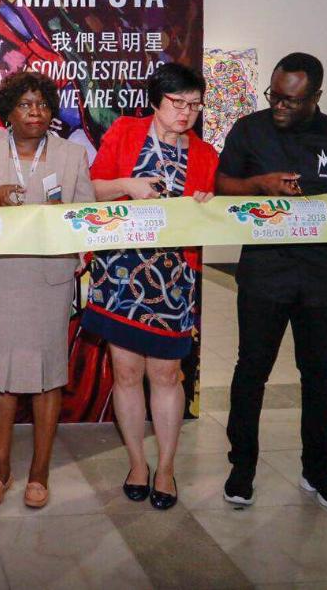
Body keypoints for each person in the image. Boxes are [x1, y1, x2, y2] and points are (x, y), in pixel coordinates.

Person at [215, 52, 327, 511]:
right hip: (264, 274)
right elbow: (222, 185)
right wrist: (259, 184)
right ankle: (242, 468)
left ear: (316, 97)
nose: (280, 106)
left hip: (322, 279)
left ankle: (317, 471)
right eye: (275, 96)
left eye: (292, 101)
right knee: (251, 371)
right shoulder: (249, 130)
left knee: (319, 376)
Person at [0, 70, 94, 509]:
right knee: (0, 377)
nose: (36, 112)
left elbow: (86, 216)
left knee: (48, 377)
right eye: (26, 104)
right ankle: (0, 471)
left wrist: (63, 215)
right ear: (8, 112)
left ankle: (39, 474)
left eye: (43, 104)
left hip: (48, 279)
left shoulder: (71, 154)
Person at [87, 63, 219, 510]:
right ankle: (137, 464)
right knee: (125, 373)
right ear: (155, 101)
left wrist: (205, 205)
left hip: (173, 277)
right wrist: (126, 185)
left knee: (166, 374)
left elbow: (210, 217)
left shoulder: (205, 154)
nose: (186, 112)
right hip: (120, 271)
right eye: (177, 103)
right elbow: (91, 189)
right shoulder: (125, 132)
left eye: (194, 105)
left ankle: (165, 467)